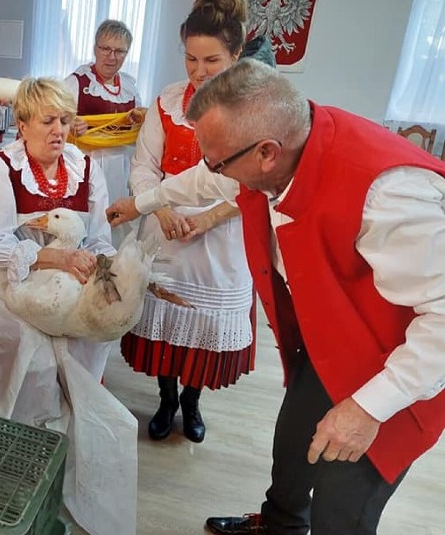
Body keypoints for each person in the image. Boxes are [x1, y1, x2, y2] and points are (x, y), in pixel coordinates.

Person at [106, 58, 445, 535]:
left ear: (266, 152)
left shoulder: (388, 198)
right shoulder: (279, 142)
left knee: (341, 506)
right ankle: (279, 526)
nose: (212, 168)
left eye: (218, 158)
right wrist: (140, 203)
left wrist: (368, 407)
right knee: (292, 450)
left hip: (403, 371)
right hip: (333, 345)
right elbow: (206, 179)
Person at [0, 78, 137, 534]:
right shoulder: (1, 168)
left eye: (66, 120)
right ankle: (20, 445)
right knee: (30, 343)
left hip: (68, 269)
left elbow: (97, 236)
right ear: (24, 124)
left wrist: (96, 267)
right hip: (8, 271)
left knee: (85, 334)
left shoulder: (87, 166)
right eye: (49, 120)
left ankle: (68, 442)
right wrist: (54, 257)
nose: (60, 130)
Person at [122, 0, 274, 444]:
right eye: (191, 59)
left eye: (211, 61)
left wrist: (207, 219)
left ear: (235, 54)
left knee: (202, 328)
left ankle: (192, 400)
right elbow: (144, 167)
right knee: (164, 326)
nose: (199, 71)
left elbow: (255, 184)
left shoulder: (252, 107)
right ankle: (167, 398)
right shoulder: (167, 101)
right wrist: (162, 208)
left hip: (219, 236)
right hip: (164, 230)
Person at [64, 19, 143, 245]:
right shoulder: (77, 82)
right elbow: (54, 115)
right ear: (95, 48)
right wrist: (70, 123)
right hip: (86, 163)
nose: (111, 56)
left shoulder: (129, 87)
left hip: (121, 164)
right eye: (105, 49)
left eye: (119, 51)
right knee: (88, 219)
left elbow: (138, 126)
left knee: (116, 220)